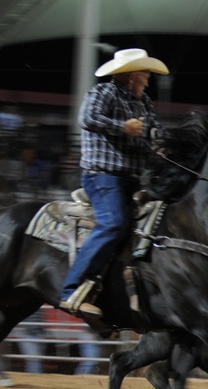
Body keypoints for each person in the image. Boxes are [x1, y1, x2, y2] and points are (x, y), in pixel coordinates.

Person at [58, 48, 169, 318]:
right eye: (145, 72)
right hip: (102, 176)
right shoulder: (103, 92)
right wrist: (123, 127)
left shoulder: (145, 104)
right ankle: (70, 291)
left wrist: (161, 148)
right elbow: (87, 118)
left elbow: (152, 135)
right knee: (114, 223)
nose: (148, 78)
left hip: (132, 178)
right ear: (132, 75)